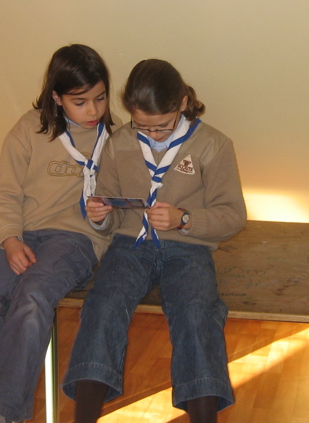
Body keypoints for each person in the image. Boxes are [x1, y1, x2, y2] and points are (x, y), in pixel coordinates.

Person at [62, 58, 247, 423]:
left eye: (162, 126)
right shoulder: (119, 143)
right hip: (131, 245)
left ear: (182, 104)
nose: (153, 135)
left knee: (196, 313)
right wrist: (101, 214)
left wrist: (185, 219)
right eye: (142, 126)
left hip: (189, 249)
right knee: (102, 305)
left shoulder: (213, 145)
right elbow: (111, 207)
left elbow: (232, 216)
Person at [0, 44, 117, 423]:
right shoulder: (28, 129)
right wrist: (10, 239)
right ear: (57, 98)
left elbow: (120, 216)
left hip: (75, 238)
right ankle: (4, 405)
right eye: (80, 102)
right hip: (22, 230)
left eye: (100, 98)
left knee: (32, 297)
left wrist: (102, 218)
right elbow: (3, 192)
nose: (93, 111)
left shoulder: (115, 139)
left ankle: (0, 413)